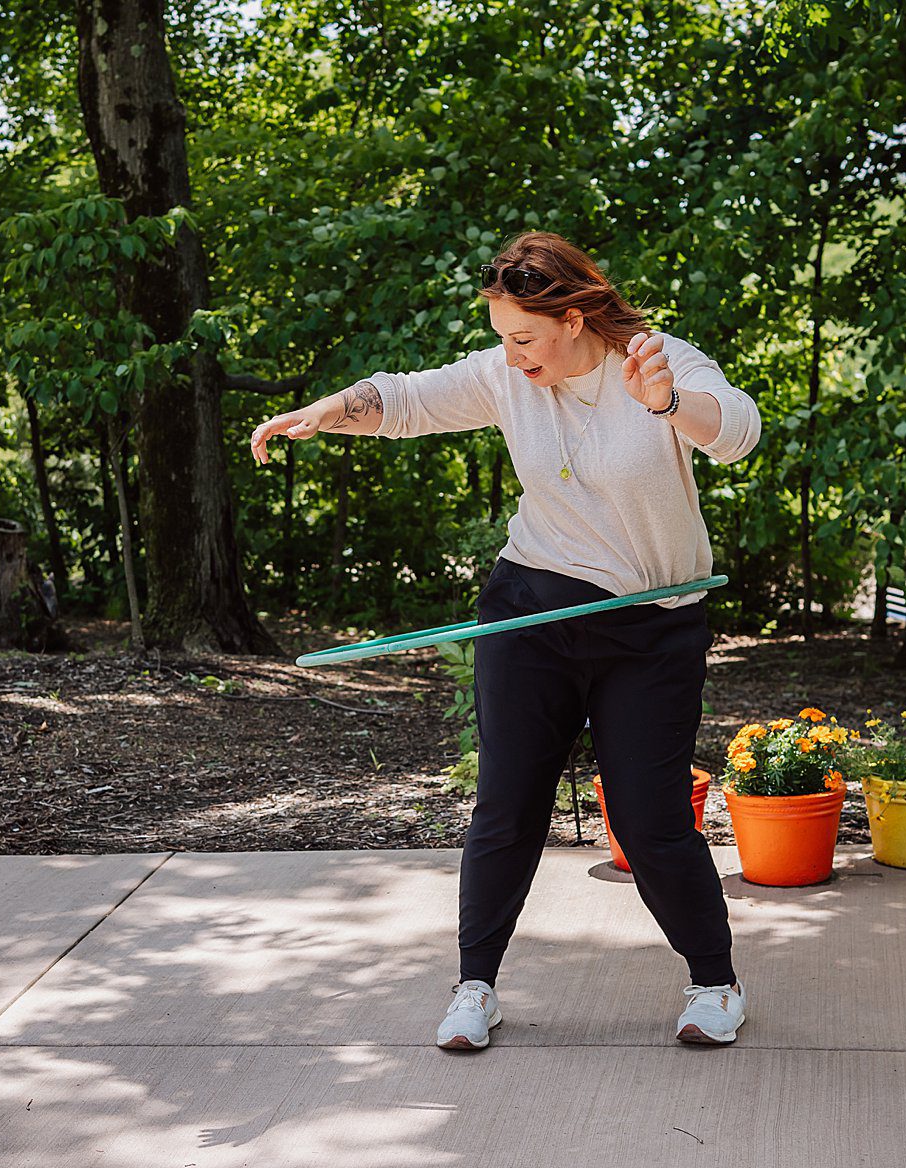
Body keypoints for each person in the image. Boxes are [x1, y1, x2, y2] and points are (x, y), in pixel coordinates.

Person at [250, 231, 761, 1050]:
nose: (512, 355)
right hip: (532, 611)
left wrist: (667, 403)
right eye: (503, 340)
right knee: (507, 805)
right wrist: (325, 413)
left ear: (571, 316)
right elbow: (408, 398)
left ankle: (715, 983)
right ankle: (474, 987)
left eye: (524, 337)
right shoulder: (509, 374)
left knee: (650, 817)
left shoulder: (654, 361)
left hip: (649, 628)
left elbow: (736, 431)